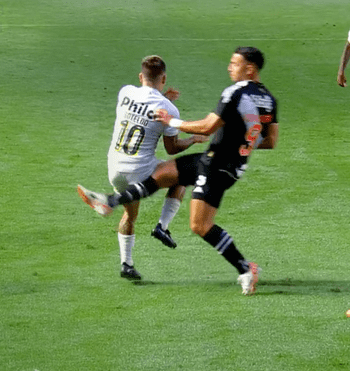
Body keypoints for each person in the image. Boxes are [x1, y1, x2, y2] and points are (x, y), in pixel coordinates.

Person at [78, 47, 279, 295]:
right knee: (163, 173)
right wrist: (243, 142)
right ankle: (111, 201)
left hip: (217, 166)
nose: (229, 67)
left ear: (249, 69)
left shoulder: (235, 93)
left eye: (234, 63)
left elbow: (206, 128)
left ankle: (246, 269)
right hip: (222, 162)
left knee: (200, 225)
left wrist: (171, 120)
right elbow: (270, 140)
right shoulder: (269, 99)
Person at [100, 55, 207, 280]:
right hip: (140, 168)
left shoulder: (125, 92)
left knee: (130, 215)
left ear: (141, 76)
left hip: (115, 168)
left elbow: (143, 106)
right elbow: (173, 149)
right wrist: (193, 140)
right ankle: (162, 226)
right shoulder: (168, 109)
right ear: (164, 78)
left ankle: (126, 264)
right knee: (182, 176)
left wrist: (162, 98)